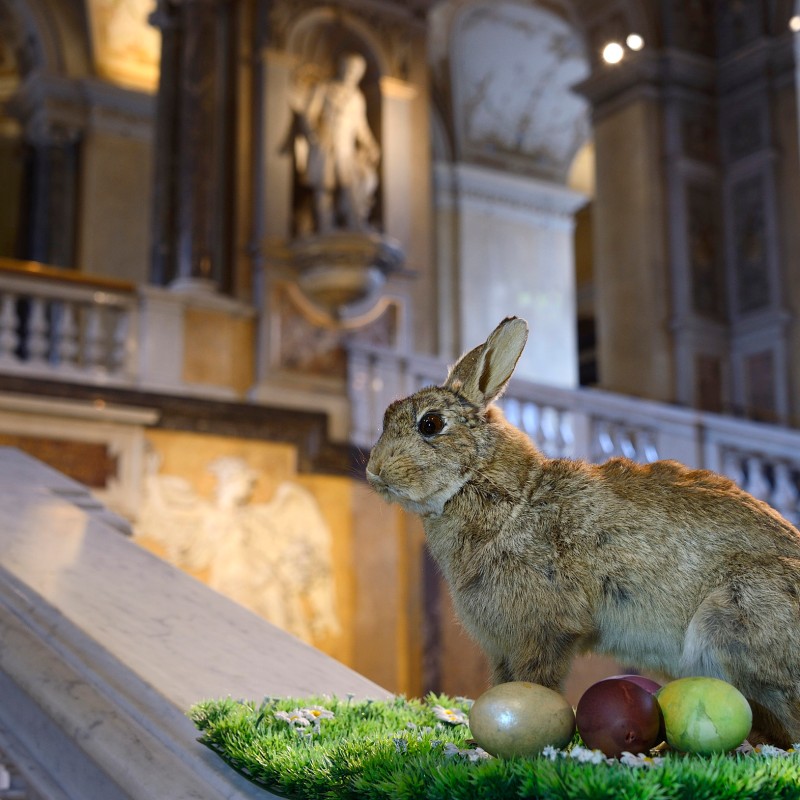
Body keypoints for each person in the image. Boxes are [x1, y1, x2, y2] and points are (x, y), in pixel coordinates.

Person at [290, 53, 380, 233]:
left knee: (349, 186)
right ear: (341, 68)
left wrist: (371, 144)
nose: (350, 73)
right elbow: (308, 116)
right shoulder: (323, 89)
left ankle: (353, 224)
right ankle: (325, 226)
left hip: (345, 148)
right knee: (324, 187)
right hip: (325, 145)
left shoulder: (357, 98)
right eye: (348, 68)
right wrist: (314, 136)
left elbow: (361, 127)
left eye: (355, 71)